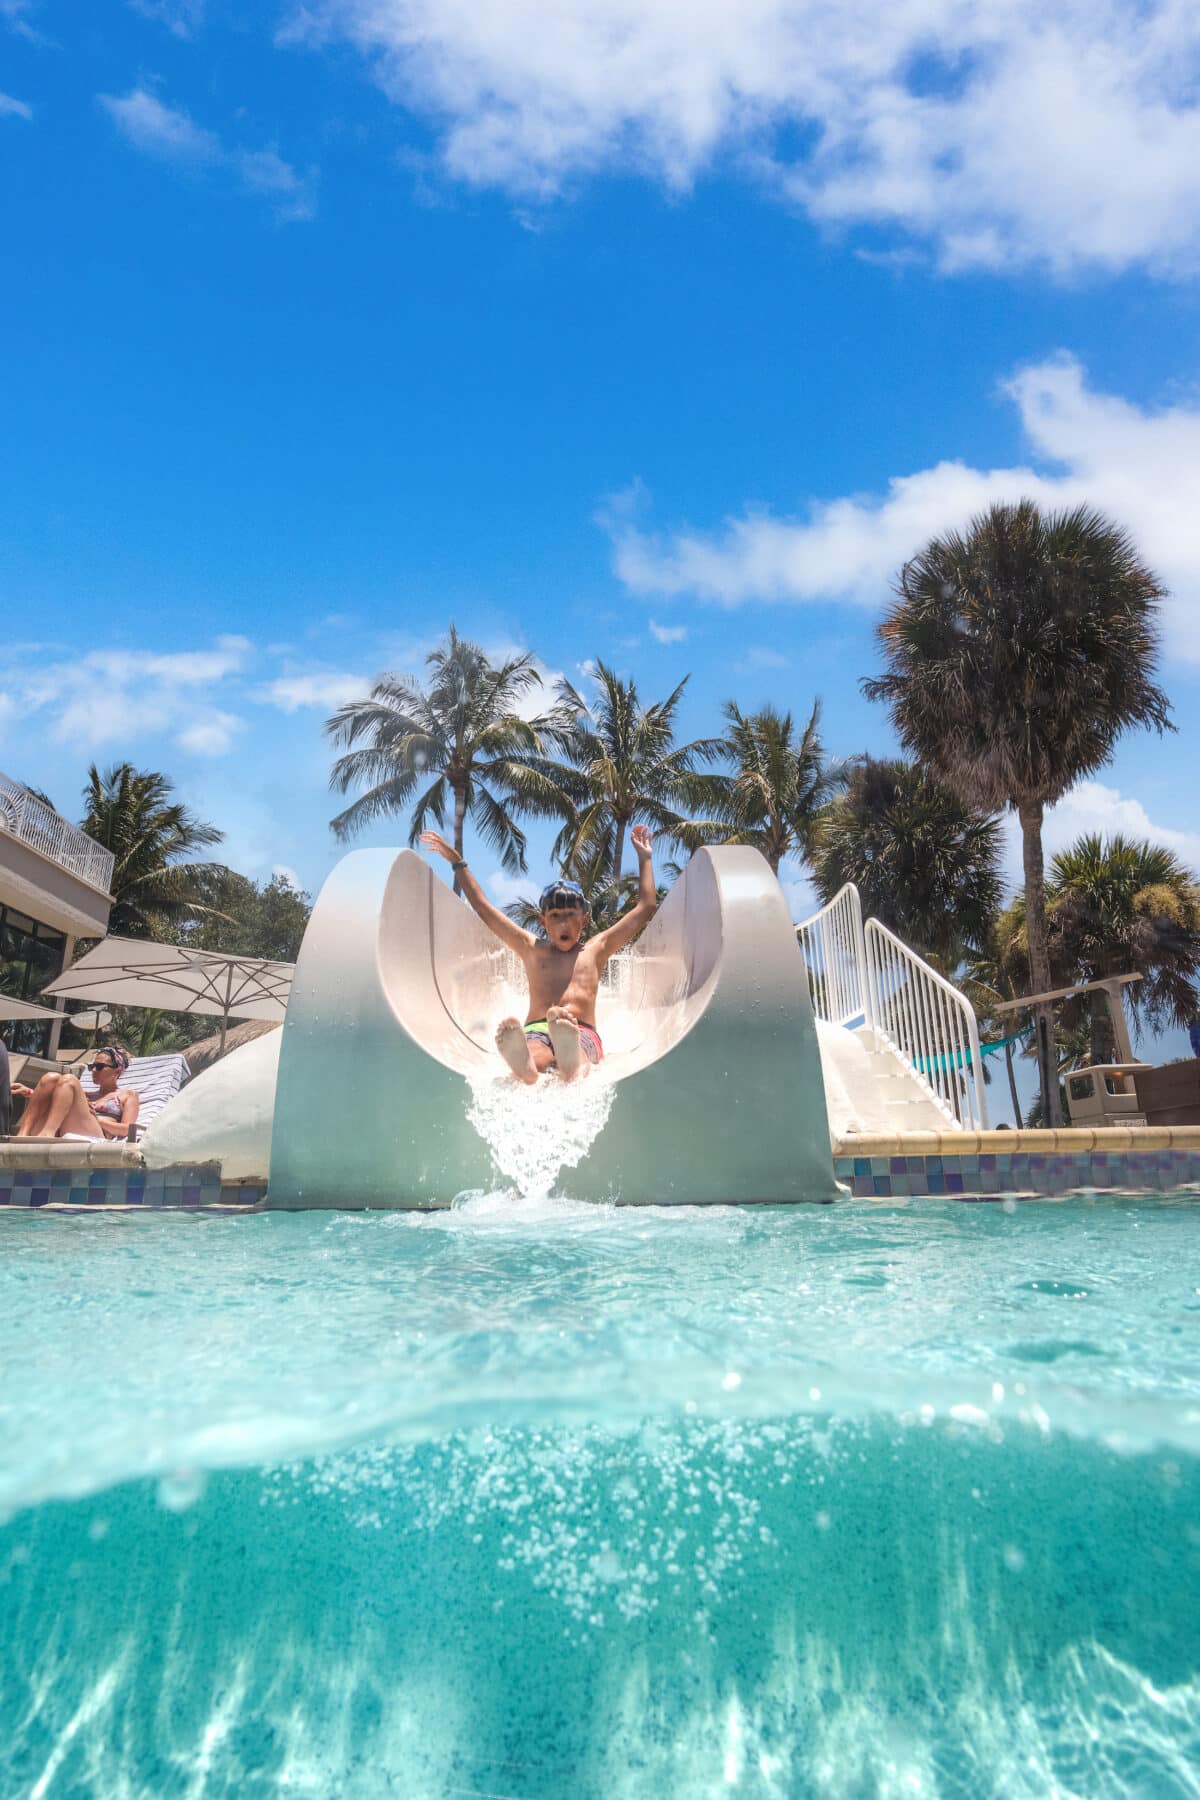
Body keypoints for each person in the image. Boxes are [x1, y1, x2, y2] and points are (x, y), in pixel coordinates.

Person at [419, 824, 658, 1083]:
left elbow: (645, 908)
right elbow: (484, 908)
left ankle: (570, 1062)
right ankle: (528, 1067)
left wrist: (645, 858)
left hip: (582, 1031)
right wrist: (458, 863)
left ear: (585, 919)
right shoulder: (532, 948)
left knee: (579, 1054)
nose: (563, 924)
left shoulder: (596, 949)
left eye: (570, 916)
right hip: (536, 1028)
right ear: (543, 922)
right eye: (555, 917)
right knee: (535, 1051)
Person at [14, 1045, 140, 1141]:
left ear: (117, 1072)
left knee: (70, 1080)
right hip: (67, 1128)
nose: (94, 1071)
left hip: (98, 1136)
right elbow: (60, 1099)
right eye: (91, 1067)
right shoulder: (86, 1095)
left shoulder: (128, 1095)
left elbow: (126, 1130)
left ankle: (47, 1133)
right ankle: (22, 1134)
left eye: (100, 1067)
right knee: (50, 1078)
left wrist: (98, 1120)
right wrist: (30, 1092)